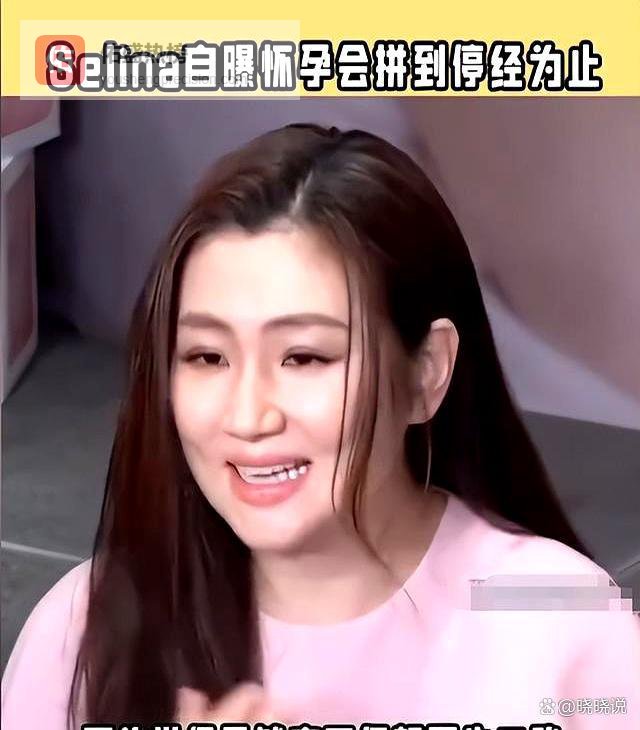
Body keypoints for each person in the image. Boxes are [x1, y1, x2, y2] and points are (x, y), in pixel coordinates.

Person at [2, 123, 639, 729]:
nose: (248, 417)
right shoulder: (84, 630)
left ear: (426, 372)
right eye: (207, 357)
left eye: (305, 357)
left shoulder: (563, 621)